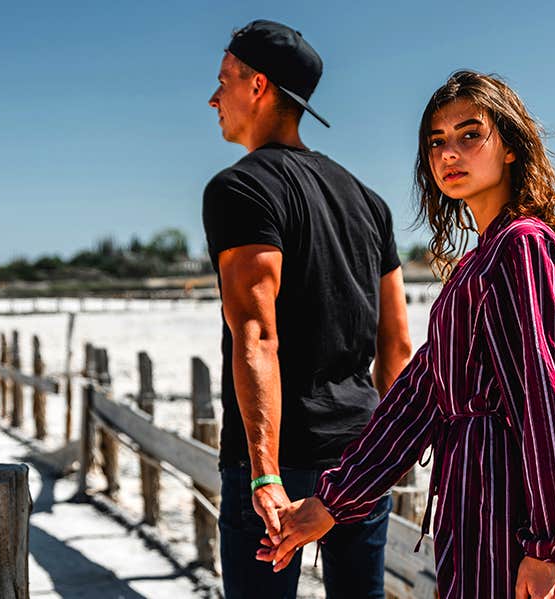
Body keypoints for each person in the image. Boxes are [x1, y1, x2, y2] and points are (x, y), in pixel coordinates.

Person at [260, 70, 555, 598]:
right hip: (474, 513)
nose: (450, 153)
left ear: (511, 147)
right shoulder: (477, 265)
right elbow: (416, 401)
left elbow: (546, 399)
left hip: (518, 520)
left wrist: (549, 547)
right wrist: (330, 504)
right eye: (436, 141)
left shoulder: (522, 246)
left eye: (470, 134)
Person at [202, 19, 413, 599]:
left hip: (281, 461)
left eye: (224, 81)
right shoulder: (368, 200)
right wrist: (386, 455)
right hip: (360, 451)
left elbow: (256, 334)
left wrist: (263, 471)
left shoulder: (240, 189)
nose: (213, 97)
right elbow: (396, 346)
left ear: (258, 86)